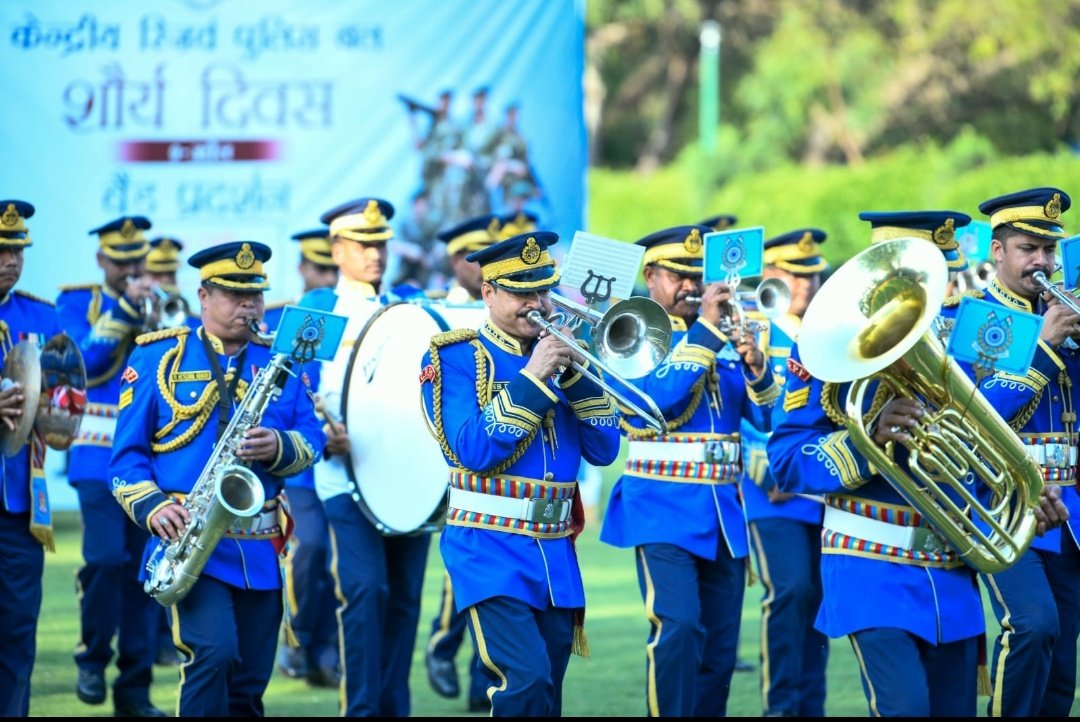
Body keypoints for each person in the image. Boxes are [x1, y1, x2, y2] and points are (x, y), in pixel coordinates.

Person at [766, 209, 1069, 717]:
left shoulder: (966, 343)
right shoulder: (825, 347)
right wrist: (867, 439)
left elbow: (976, 448)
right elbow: (787, 460)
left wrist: (1025, 497)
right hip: (870, 566)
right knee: (904, 707)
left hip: (950, 574)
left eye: (948, 276)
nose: (943, 298)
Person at [109, 240, 325, 716]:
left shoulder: (282, 361)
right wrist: (154, 507)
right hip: (191, 543)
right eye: (234, 294)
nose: (249, 306)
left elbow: (313, 440)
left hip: (261, 547)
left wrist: (279, 446)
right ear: (204, 296)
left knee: (248, 685)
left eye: (255, 295)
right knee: (214, 652)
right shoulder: (157, 357)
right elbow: (125, 460)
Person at [419, 230, 620, 716]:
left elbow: (604, 449)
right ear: (488, 292)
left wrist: (577, 376)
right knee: (524, 682)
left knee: (546, 693)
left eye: (543, 290)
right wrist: (533, 377)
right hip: (488, 548)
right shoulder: (455, 357)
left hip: (554, 551)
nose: (537, 304)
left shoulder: (568, 355)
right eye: (521, 293)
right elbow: (472, 451)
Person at [599, 224, 780, 717]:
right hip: (660, 507)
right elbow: (657, 401)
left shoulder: (723, 331)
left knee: (719, 651)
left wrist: (757, 367)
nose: (690, 286)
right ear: (650, 276)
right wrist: (706, 331)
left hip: (722, 512)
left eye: (697, 276)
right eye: (677, 275)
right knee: (677, 628)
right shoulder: (629, 331)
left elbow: (768, 419)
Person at [940, 187, 1080, 717]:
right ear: (997, 251)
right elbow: (977, 416)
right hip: (1000, 501)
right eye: (1027, 249)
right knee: (1032, 624)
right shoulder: (976, 319)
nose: (1041, 261)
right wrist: (1042, 349)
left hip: (1068, 510)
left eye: (1048, 249)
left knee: (1062, 657)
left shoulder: (1064, 310)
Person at [299, 197, 431, 716]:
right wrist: (319, 434)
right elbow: (288, 390)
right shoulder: (319, 307)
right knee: (366, 591)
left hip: (406, 480)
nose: (375, 253)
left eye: (380, 243)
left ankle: (394, 708)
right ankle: (360, 709)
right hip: (345, 480)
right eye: (362, 244)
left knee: (405, 599)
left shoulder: (408, 308)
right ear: (336, 249)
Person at [56, 215, 163, 717]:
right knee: (104, 560)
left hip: (151, 460)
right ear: (102, 260)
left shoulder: (159, 302)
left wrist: (157, 320)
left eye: (138, 259)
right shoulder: (76, 303)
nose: (132, 269)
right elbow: (85, 363)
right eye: (121, 261)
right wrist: (124, 310)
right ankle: (93, 656)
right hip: (96, 454)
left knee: (146, 573)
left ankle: (135, 690)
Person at [740, 228, 829, 716]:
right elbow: (735, 407)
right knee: (790, 590)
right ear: (771, 273)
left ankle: (810, 707)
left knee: (818, 600)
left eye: (812, 275)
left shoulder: (827, 328)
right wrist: (767, 468)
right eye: (795, 275)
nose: (806, 284)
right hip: (771, 488)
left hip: (821, 486)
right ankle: (780, 708)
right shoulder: (751, 326)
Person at [423, 213, 507, 712]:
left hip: (502, 460)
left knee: (489, 575)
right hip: (456, 453)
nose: (482, 268)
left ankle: (481, 682)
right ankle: (441, 643)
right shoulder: (438, 314)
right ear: (458, 261)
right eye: (475, 258)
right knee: (466, 567)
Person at [267, 228, 341, 689]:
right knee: (309, 548)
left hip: (347, 460)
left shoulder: (360, 315)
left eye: (334, 269)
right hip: (301, 461)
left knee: (338, 564)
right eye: (321, 269)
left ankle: (328, 655)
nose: (329, 278)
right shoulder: (285, 318)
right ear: (302, 269)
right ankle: (297, 638)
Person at [0, 200, 62, 715]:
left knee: (18, 632)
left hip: (20, 505)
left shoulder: (42, 316)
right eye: (1, 252)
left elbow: (68, 394)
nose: (11, 261)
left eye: (17, 251)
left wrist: (60, 412)